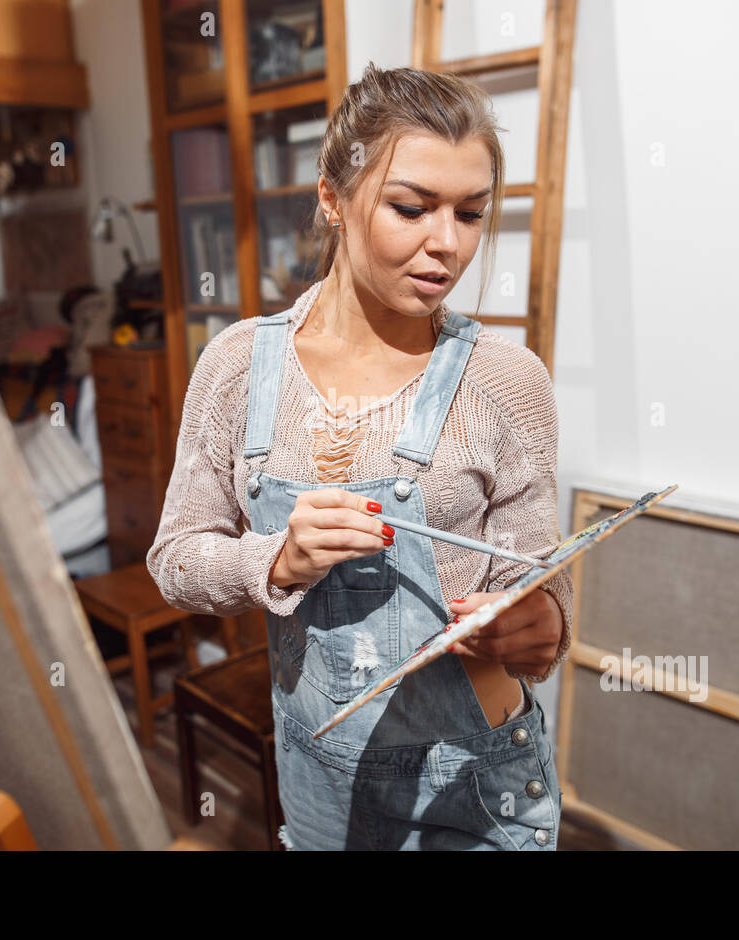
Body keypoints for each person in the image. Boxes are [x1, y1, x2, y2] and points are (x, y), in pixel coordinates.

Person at [147, 62, 574, 850]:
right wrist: (272, 563)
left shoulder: (507, 384)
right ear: (332, 198)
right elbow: (176, 560)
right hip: (317, 778)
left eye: (471, 213)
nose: (445, 245)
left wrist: (539, 624)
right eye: (410, 207)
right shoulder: (237, 367)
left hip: (474, 784)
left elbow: (537, 586)